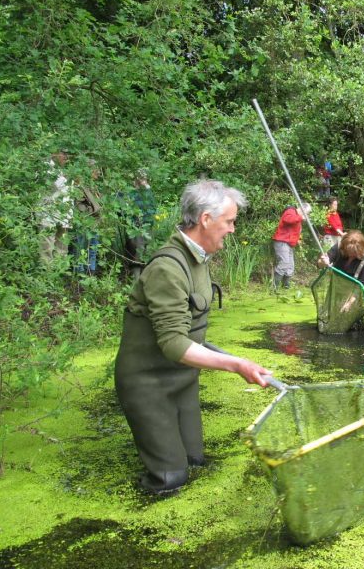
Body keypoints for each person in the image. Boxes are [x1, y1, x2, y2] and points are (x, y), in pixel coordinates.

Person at [114, 179, 272, 495]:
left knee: (194, 460)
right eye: (229, 221)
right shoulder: (168, 268)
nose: (233, 229)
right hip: (149, 384)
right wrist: (236, 365)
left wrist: (235, 361)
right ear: (205, 219)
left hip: (182, 378)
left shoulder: (199, 258)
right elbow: (173, 343)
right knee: (170, 478)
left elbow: (192, 330)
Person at [37, 151, 73, 265]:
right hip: (48, 214)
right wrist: (70, 176)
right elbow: (56, 184)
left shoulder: (65, 170)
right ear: (54, 153)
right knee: (47, 247)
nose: (66, 157)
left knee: (62, 248)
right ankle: (46, 277)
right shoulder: (45, 167)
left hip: (64, 215)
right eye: (63, 154)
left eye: (68, 154)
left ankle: (59, 276)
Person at [120, 170, 157, 279]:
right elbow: (124, 208)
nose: (143, 181)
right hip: (137, 227)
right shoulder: (131, 192)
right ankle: (136, 279)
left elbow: (152, 208)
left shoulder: (146, 192)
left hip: (144, 226)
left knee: (142, 252)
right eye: (141, 178)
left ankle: (140, 279)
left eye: (144, 178)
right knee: (137, 252)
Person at [71, 159, 103, 275]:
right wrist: (90, 210)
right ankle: (79, 273)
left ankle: (91, 271)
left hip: (94, 222)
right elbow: (78, 204)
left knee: (93, 248)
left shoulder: (94, 187)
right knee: (80, 248)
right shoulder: (80, 186)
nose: (98, 173)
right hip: (84, 221)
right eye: (95, 170)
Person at [272, 202, 311, 290]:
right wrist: (301, 217)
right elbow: (288, 219)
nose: (307, 215)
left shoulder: (297, 217)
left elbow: (294, 231)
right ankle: (274, 287)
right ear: (302, 209)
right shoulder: (291, 211)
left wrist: (298, 240)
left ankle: (286, 286)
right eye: (307, 212)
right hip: (282, 242)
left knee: (290, 266)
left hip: (289, 244)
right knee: (284, 263)